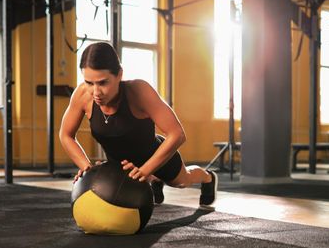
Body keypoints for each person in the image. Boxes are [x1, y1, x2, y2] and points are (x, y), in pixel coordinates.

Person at [59, 42, 217, 207]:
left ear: (119, 74)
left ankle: (208, 177)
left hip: (155, 156)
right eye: (89, 83)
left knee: (182, 181)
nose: (96, 92)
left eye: (103, 83)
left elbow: (177, 134)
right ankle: (155, 180)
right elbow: (66, 135)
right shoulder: (82, 96)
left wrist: (146, 170)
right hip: (119, 165)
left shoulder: (139, 91)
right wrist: (87, 169)